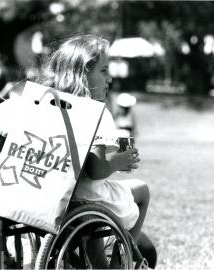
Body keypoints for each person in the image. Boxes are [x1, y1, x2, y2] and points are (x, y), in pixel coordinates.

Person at [36, 34, 156, 268]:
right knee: (141, 190)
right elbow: (96, 169)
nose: (110, 78)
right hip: (84, 200)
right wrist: (118, 162)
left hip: (52, 195)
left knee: (95, 209)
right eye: (103, 71)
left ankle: (99, 263)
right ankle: (123, 258)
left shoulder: (47, 107)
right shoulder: (95, 112)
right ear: (82, 73)